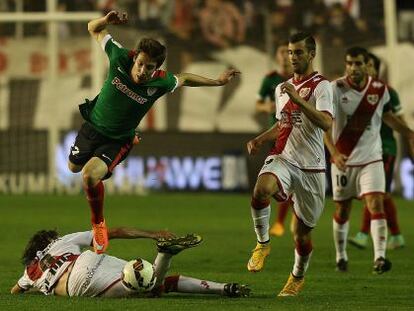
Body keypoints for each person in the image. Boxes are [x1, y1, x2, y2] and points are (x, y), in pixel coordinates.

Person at [67, 11, 240, 254]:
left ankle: (98, 224)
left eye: (150, 67)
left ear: (157, 67)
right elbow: (93, 28)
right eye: (140, 64)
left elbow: (185, 78)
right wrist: (106, 20)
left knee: (88, 176)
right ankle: (108, 164)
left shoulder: (160, 82)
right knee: (73, 168)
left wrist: (217, 82)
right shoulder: (118, 56)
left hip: (118, 140)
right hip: (92, 127)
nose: (143, 71)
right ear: (135, 56)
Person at [246, 32, 333, 296]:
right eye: (289, 52)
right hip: (284, 156)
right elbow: (283, 123)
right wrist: (261, 138)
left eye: (297, 52)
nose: (292, 57)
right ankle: (262, 244)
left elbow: (326, 122)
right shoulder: (281, 88)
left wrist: (298, 99)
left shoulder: (322, 86)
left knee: (302, 235)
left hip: (313, 168)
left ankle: (297, 276)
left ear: (311, 54)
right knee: (261, 190)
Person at [325, 47, 414, 274]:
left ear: (367, 65)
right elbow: (324, 125)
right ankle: (341, 255)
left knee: (376, 203)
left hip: (371, 159)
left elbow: (387, 117)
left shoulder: (379, 89)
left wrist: (409, 133)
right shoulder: (335, 89)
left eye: (358, 63)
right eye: (350, 63)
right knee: (343, 210)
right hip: (343, 160)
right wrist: (334, 153)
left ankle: (380, 258)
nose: (353, 68)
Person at [11, 227, 250, 298]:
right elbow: (113, 231)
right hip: (89, 260)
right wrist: (151, 233)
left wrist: (32, 288)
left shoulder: (29, 271)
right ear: (49, 240)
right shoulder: (63, 241)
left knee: (150, 289)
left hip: (78, 282)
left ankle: (165, 254)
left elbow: (16, 291)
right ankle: (224, 288)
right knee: (151, 282)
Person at [348, 52, 413, 250]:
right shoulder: (352, 91)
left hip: (385, 147)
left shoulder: (387, 92)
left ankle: (362, 234)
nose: (363, 69)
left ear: (375, 69)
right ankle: (397, 236)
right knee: (382, 195)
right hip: (364, 150)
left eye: (368, 65)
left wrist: (410, 139)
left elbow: (400, 120)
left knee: (374, 194)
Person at [255, 41, 293, 237]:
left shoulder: (300, 79)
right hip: (276, 131)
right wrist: (266, 108)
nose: (286, 57)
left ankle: (279, 222)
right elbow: (258, 103)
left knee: (290, 175)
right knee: (282, 178)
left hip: (297, 133)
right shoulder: (271, 80)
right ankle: (285, 216)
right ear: (278, 58)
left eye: (289, 53)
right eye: (283, 53)